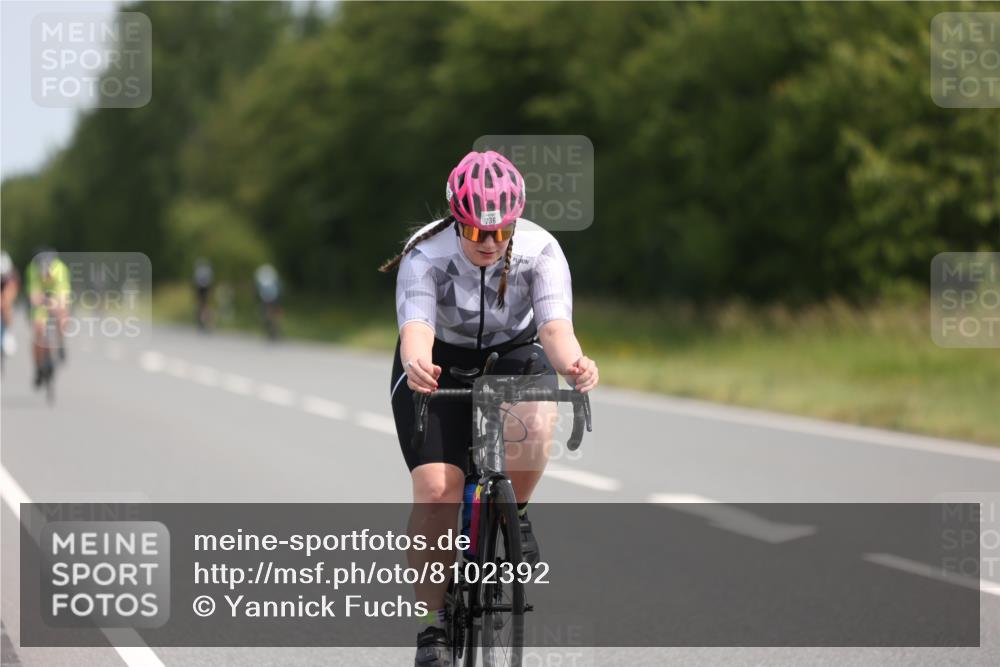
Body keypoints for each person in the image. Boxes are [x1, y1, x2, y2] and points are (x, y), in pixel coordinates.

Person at [379, 151, 599, 667]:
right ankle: (432, 625)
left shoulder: (542, 251)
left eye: (500, 232)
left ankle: (515, 514)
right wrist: (416, 363)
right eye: (476, 232)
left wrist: (575, 364)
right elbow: (416, 327)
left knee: (538, 419)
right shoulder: (424, 255)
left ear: (514, 224)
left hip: (518, 351)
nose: (488, 243)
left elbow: (553, 327)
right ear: (457, 220)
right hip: (439, 360)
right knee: (437, 490)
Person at [25, 249, 71, 388]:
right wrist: (41, 302)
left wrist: (55, 305)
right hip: (39, 300)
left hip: (56, 295)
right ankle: (38, 367)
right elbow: (34, 297)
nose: (45, 274)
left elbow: (63, 298)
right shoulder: (32, 270)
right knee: (38, 330)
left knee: (62, 315)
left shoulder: (61, 269)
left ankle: (61, 342)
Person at [1, 250, 20, 363]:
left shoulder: (12, 276)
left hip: (7, 293)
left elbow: (11, 293)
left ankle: (7, 333)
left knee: (7, 305)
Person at [254, 263, 282, 340]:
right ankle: (273, 331)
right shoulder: (271, 277)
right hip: (272, 298)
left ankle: (272, 330)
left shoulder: (263, 277)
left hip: (268, 298)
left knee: (269, 314)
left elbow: (259, 290)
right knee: (273, 315)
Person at [192, 258, 214, 331]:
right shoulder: (208, 270)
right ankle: (206, 323)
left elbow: (195, 282)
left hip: (200, 289)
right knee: (205, 306)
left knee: (200, 306)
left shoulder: (198, 270)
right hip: (205, 289)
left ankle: (201, 323)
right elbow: (210, 282)